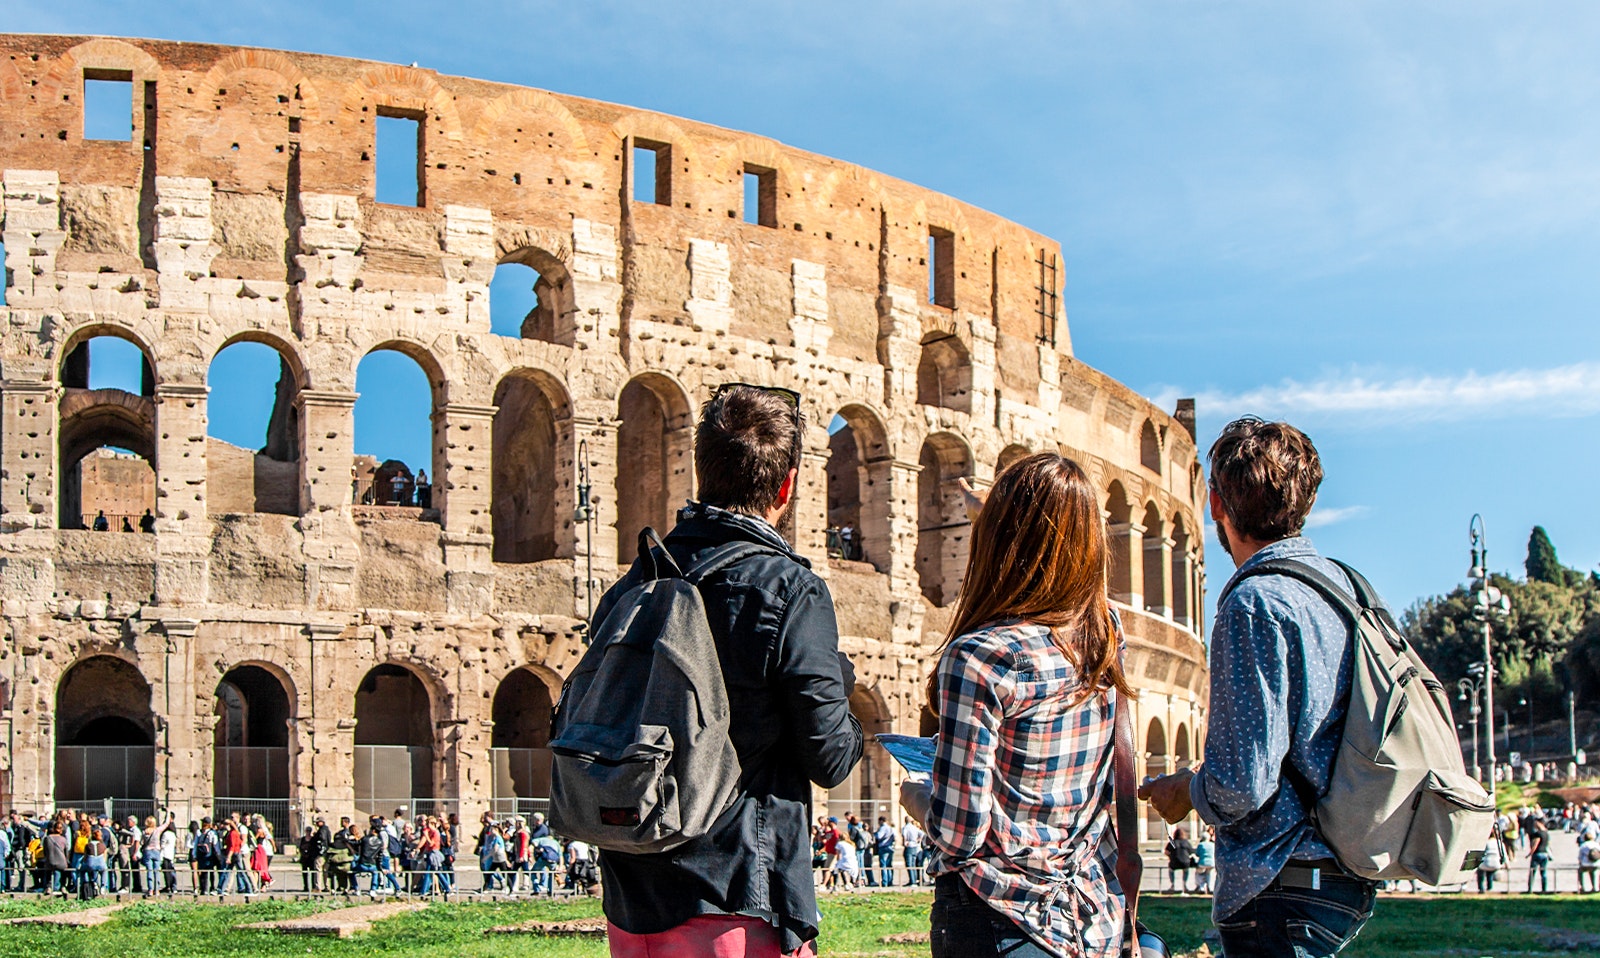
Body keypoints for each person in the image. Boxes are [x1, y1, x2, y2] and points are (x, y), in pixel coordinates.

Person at [590, 384, 863, 958]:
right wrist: (839, 684)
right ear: (787, 485)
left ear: (701, 471)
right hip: (736, 892)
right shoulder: (791, 591)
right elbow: (831, 757)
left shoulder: (634, 583)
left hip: (631, 897)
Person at [1140, 418, 1379, 957]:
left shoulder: (1255, 603)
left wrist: (1186, 792)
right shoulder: (1343, 587)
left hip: (1280, 878)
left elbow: (1242, 785)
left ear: (1215, 504)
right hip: (1340, 868)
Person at [899, 453, 1133, 958]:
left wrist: (918, 798)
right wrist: (1003, 518)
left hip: (998, 916)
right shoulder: (1105, 637)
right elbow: (1071, 568)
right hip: (1088, 919)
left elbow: (959, 834)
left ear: (997, 541)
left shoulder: (980, 658)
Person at [1166, 826, 1197, 893]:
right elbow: (1191, 851)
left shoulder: (1172, 842)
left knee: (1171, 870)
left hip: (1174, 862)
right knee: (1186, 870)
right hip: (1185, 862)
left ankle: (1172, 885)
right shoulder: (1186, 842)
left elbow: (1166, 852)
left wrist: (1170, 856)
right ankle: (1185, 885)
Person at [1527, 814, 1550, 893]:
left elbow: (1535, 844)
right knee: (1543, 872)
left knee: (1532, 872)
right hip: (1545, 854)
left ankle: (1530, 889)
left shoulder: (1538, 834)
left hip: (1537, 853)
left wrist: (1530, 854)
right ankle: (1544, 889)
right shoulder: (1546, 833)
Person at [900, 818, 925, 886]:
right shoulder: (914, 827)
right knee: (913, 864)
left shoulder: (905, 828)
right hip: (915, 846)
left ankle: (912, 881)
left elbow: (904, 835)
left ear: (905, 820)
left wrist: (904, 842)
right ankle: (915, 880)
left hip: (909, 846)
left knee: (909, 864)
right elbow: (922, 834)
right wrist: (918, 840)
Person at [873, 816, 896, 888]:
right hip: (890, 847)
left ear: (881, 821)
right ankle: (890, 881)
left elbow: (879, 836)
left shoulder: (883, 828)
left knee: (883, 865)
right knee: (889, 865)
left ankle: (884, 882)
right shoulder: (890, 828)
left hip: (883, 847)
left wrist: (875, 834)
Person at [1195, 826, 1216, 894]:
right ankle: (1209, 887)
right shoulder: (1212, 844)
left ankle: (1201, 887)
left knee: (1199, 874)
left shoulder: (1200, 845)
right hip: (1211, 863)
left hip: (1202, 863)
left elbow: (1197, 854)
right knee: (1208, 874)